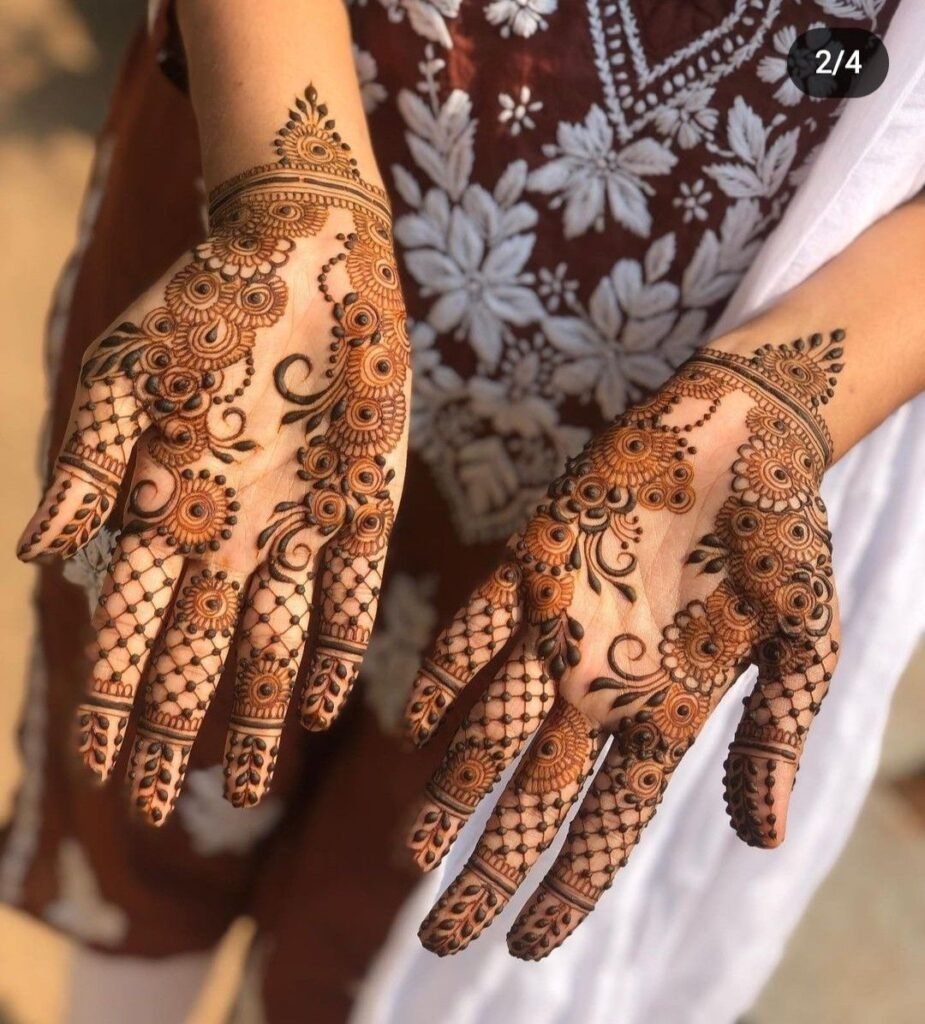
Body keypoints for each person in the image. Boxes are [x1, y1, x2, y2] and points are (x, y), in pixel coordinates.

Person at [2, 1, 924, 1021]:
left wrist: (789, 396)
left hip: (703, 421)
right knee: (156, 761)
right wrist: (289, 185)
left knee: (405, 882)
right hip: (266, 188)